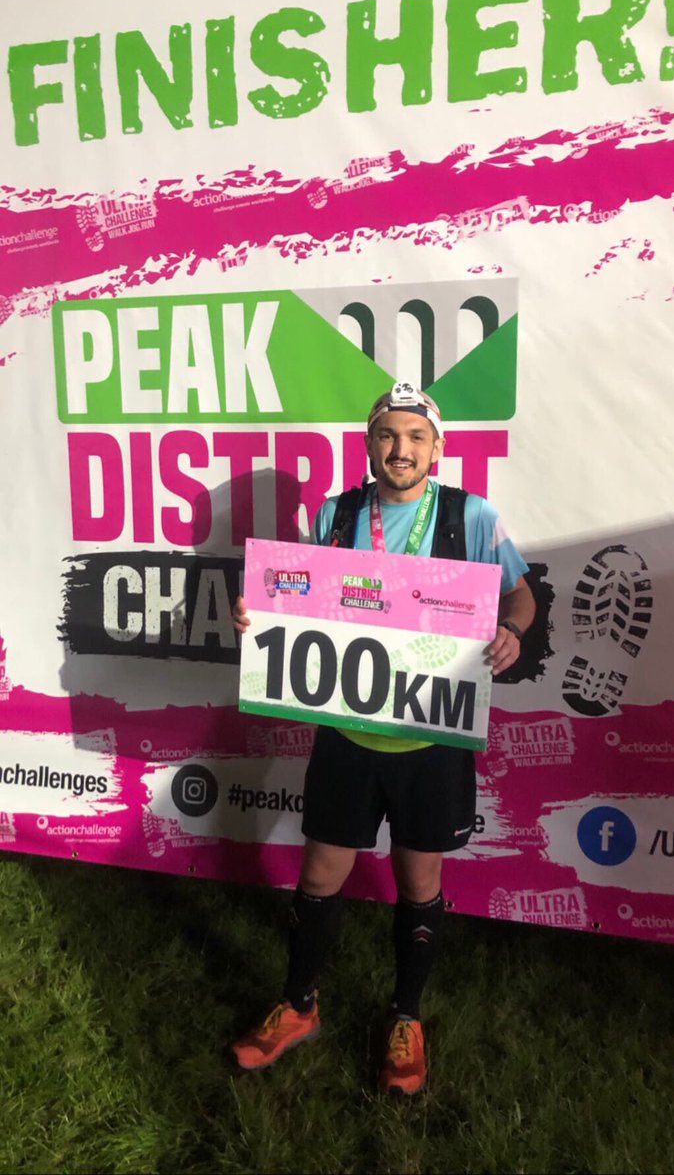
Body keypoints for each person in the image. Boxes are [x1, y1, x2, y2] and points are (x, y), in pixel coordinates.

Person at [230, 381, 535, 1094]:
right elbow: (297, 596)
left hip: (430, 736)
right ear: (369, 444)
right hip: (348, 731)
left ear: (437, 447)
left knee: (419, 882)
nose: (401, 449)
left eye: (415, 436)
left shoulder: (471, 515)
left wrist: (512, 630)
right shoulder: (336, 514)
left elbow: (519, 594)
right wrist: (260, 614)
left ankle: (406, 1017)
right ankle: (299, 1005)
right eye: (388, 435)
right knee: (319, 876)